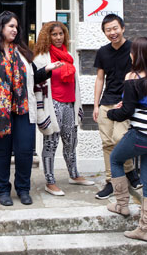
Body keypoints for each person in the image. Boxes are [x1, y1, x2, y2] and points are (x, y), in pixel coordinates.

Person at [0, 11, 63, 206]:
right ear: (0, 28)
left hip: (23, 109)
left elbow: (33, 78)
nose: (15, 29)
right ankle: (2, 190)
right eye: (11, 26)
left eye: (16, 26)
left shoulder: (23, 51)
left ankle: (23, 189)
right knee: (1, 152)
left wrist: (46, 71)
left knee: (24, 151)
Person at [106, 37, 147, 242]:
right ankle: (146, 229)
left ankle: (122, 205)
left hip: (143, 134)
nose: (130, 54)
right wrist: (126, 105)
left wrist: (110, 114)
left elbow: (126, 112)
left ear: (139, 55)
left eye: (133, 51)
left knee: (116, 159)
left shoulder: (132, 77)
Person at [33, 21, 94, 196]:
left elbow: (75, 85)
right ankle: (50, 181)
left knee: (71, 142)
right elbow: (36, 85)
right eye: (54, 34)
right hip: (53, 105)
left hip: (70, 104)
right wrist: (40, 112)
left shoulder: (68, 55)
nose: (58, 37)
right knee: (51, 143)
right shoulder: (42, 58)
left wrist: (78, 105)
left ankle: (74, 175)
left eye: (61, 34)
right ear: (47, 36)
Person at [92, 14, 140, 200]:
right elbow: (99, 79)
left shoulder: (133, 48)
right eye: (108, 30)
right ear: (104, 32)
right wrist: (96, 105)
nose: (112, 32)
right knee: (107, 144)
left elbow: (139, 73)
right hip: (107, 101)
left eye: (115, 28)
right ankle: (112, 181)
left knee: (120, 139)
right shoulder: (103, 52)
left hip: (125, 102)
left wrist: (129, 99)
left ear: (123, 28)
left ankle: (129, 171)